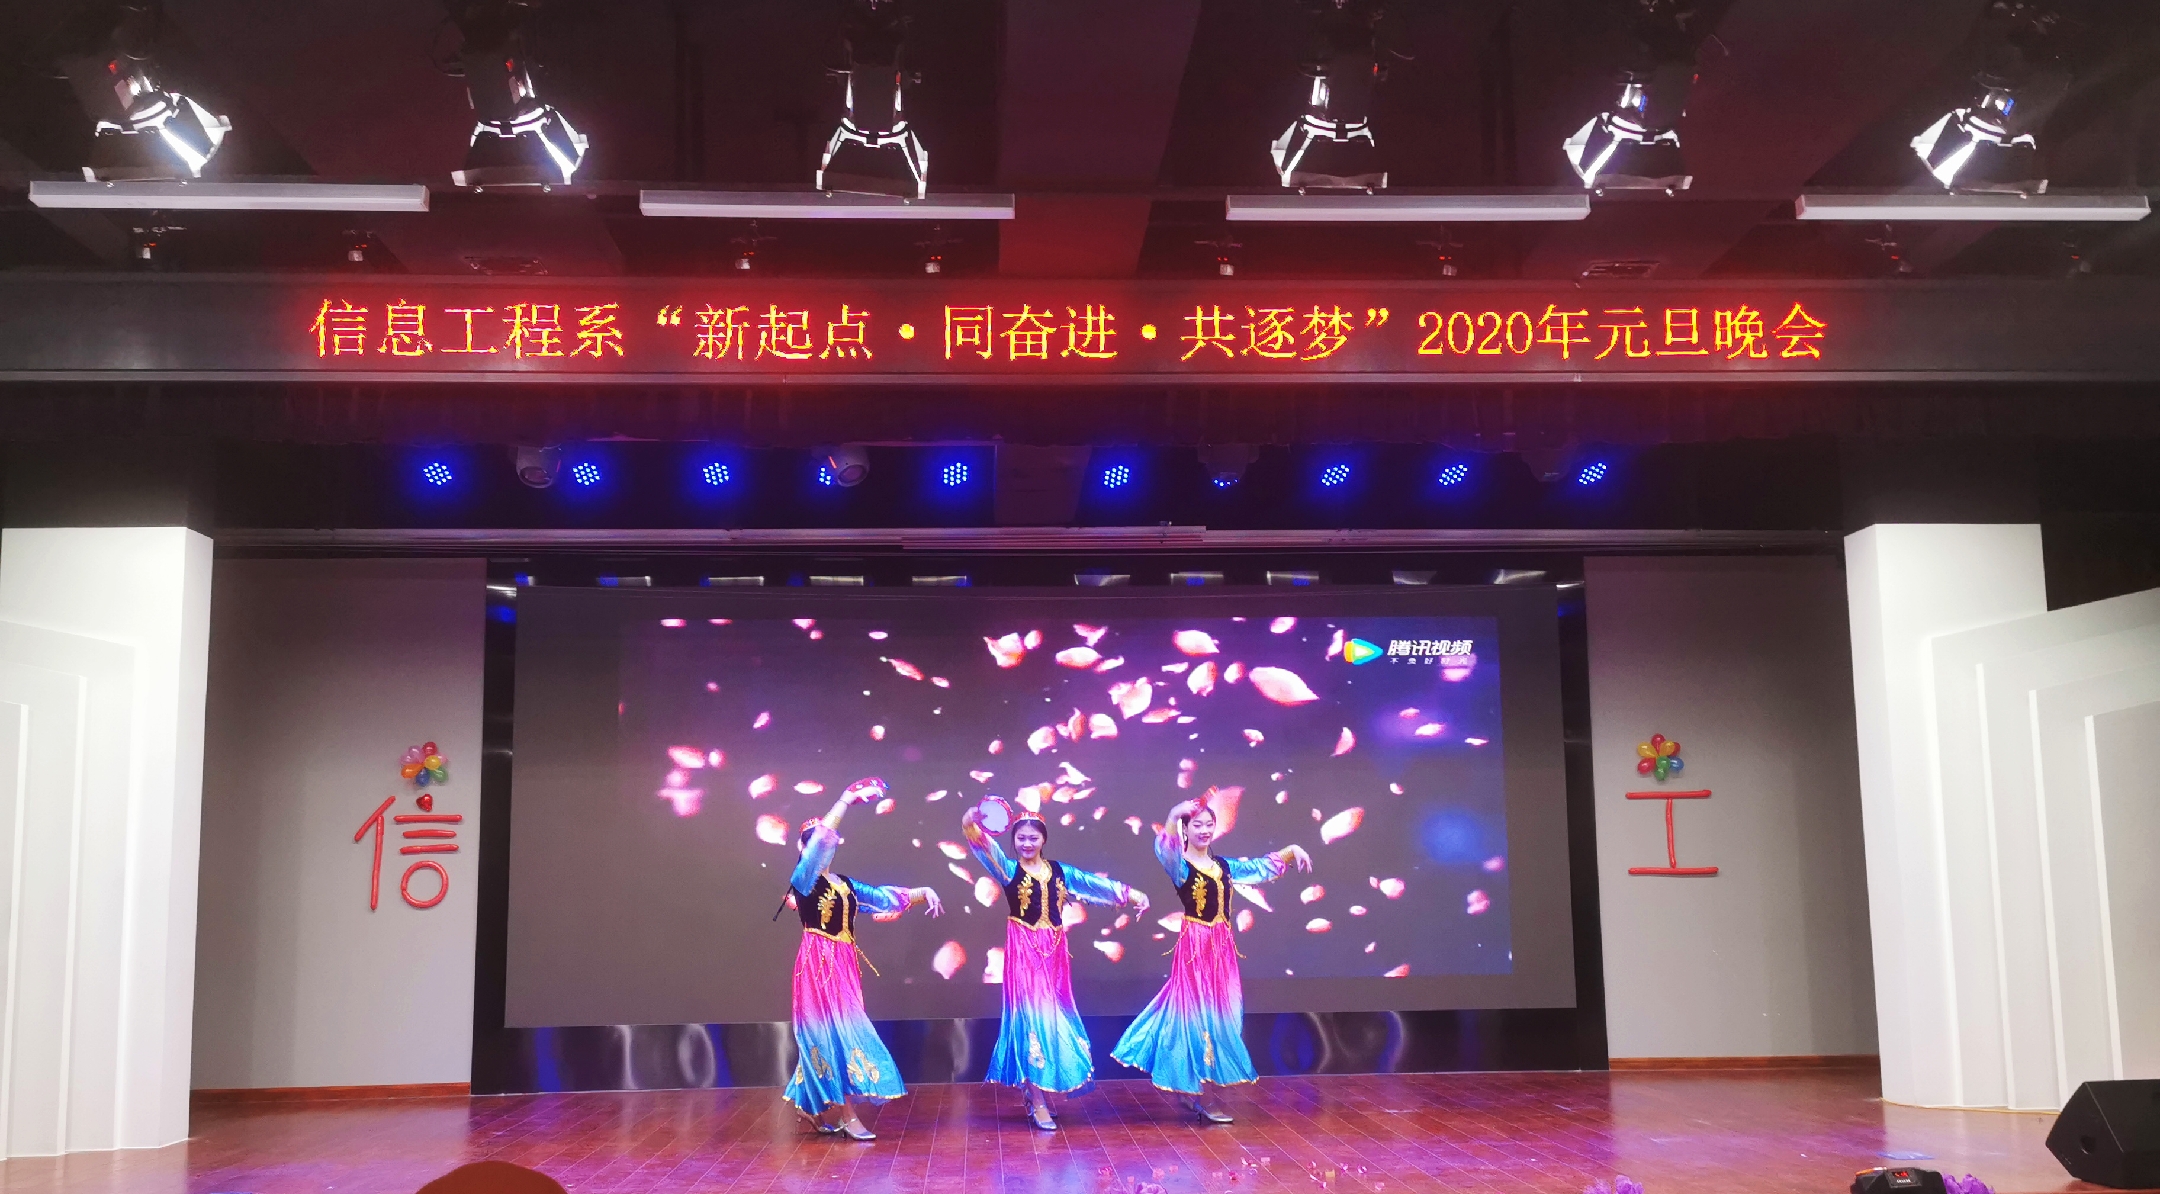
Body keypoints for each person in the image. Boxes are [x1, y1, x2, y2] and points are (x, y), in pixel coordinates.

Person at [1111, 793, 1311, 1124]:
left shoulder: (1224, 867)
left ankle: (1190, 1086)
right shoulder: (1180, 865)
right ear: (1185, 830)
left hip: (1222, 949)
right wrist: (1174, 814)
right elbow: (1164, 847)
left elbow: (1258, 868)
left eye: (1209, 824)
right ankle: (1205, 1096)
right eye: (1197, 825)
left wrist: (1291, 851)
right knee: (1200, 1017)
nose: (1204, 830)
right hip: (1195, 948)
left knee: (1224, 1014)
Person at [961, 802, 1149, 1131]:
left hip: (1054, 955)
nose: (1027, 843)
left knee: (1055, 1019)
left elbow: (1092, 884)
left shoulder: (1060, 872)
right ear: (1013, 840)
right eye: (1021, 838)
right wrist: (971, 822)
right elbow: (981, 844)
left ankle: (1038, 1089)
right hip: (1024, 953)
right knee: (1033, 1020)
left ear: (1043, 839)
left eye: (1033, 837)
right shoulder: (1007, 869)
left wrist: (1133, 895)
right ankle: (1036, 1099)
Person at [783, 781, 943, 1141]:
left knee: (836, 1033)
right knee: (831, 1033)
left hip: (843, 965)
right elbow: (819, 843)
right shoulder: (803, 881)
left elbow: (882, 898)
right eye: (815, 843)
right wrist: (845, 800)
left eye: (828, 843)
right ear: (804, 849)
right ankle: (847, 1114)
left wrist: (922, 893)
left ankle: (811, 1105)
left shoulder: (844, 884)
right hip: (817, 965)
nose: (824, 846)